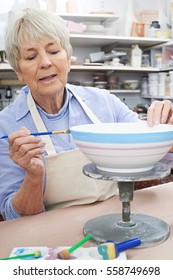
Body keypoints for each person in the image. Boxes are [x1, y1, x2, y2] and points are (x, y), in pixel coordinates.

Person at [0, 9, 173, 220]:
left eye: (54, 51)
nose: (45, 62)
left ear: (69, 58)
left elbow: (155, 154)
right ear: (18, 70)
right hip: (51, 233)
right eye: (31, 56)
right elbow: (13, 216)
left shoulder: (104, 102)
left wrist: (166, 130)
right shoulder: (6, 126)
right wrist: (33, 177)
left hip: (117, 219)